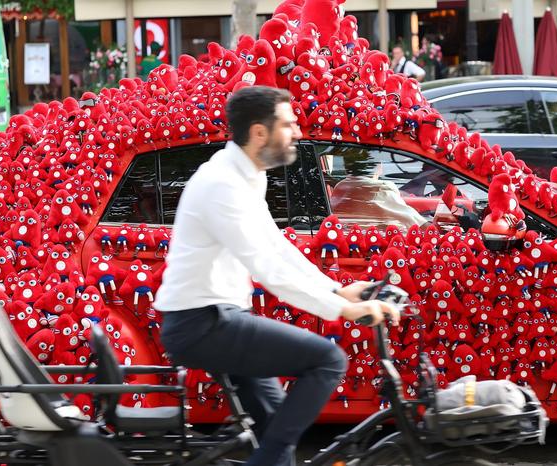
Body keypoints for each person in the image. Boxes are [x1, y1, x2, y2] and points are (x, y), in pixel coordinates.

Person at [153, 86, 400, 466]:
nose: (298, 133)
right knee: (328, 361)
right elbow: (265, 267)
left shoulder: (248, 177)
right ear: (259, 133)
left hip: (222, 318)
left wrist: (338, 290)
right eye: (288, 124)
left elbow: (277, 247)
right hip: (201, 325)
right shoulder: (222, 184)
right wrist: (339, 310)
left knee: (275, 431)